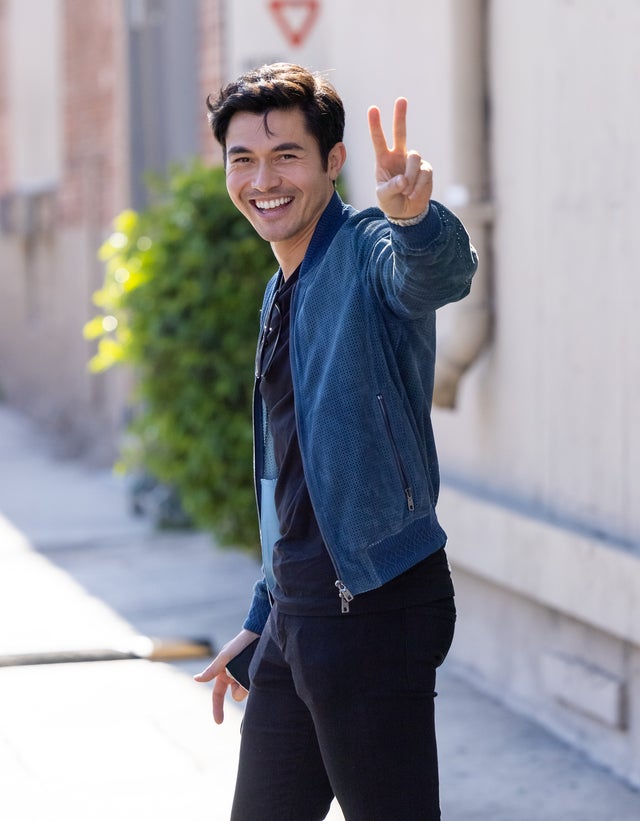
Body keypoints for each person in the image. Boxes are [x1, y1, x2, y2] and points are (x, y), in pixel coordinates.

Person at [195, 62, 478, 820]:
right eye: (243, 159)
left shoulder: (365, 248)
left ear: (332, 161)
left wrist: (416, 221)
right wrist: (264, 611)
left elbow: (431, 277)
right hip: (299, 616)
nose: (263, 179)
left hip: (374, 608)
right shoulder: (282, 283)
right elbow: (290, 474)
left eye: (286, 154)